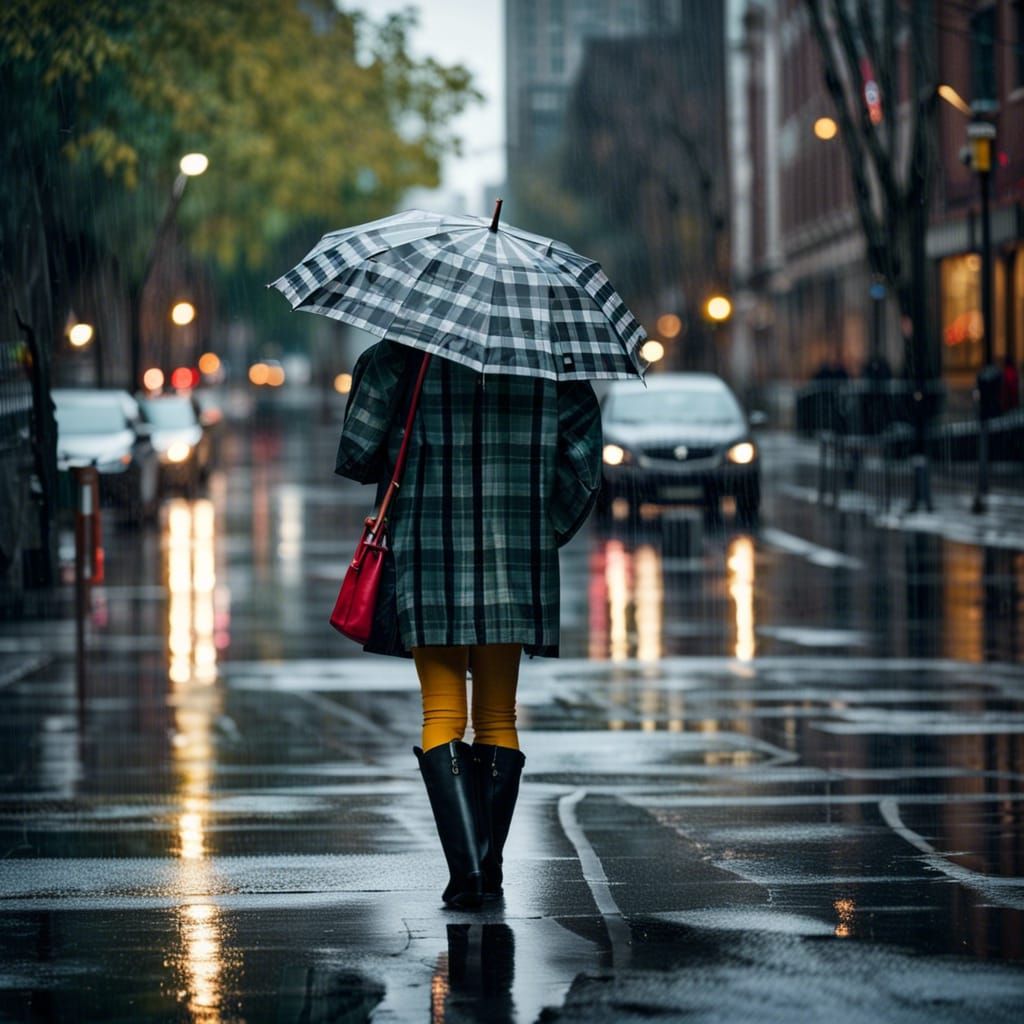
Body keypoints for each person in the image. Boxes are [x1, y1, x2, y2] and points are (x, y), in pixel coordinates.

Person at [335, 338, 603, 908]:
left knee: (442, 712)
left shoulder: (401, 354)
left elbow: (357, 452)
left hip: (429, 546)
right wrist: (542, 522)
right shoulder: (549, 358)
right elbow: (583, 464)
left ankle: (469, 874)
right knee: (498, 715)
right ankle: (490, 869)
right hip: (516, 550)